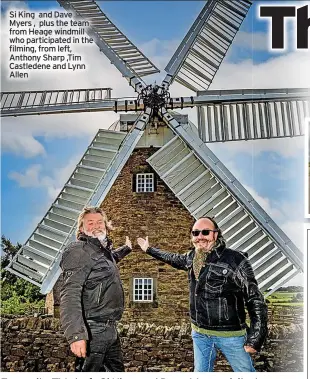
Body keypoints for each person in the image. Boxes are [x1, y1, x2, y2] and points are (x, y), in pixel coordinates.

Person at [137, 217, 268, 372]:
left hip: (230, 334)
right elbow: (172, 258)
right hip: (200, 333)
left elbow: (255, 299)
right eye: (195, 233)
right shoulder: (193, 257)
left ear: (216, 235)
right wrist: (149, 249)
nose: (200, 237)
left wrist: (255, 338)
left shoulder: (236, 260)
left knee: (245, 372)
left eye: (205, 232)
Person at [60, 206, 132, 372]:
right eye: (90, 223)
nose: (96, 226)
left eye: (100, 222)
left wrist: (126, 249)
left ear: (106, 226)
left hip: (110, 328)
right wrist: (76, 335)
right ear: (81, 229)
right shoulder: (78, 251)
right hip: (93, 329)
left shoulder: (101, 252)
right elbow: (70, 293)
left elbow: (108, 261)